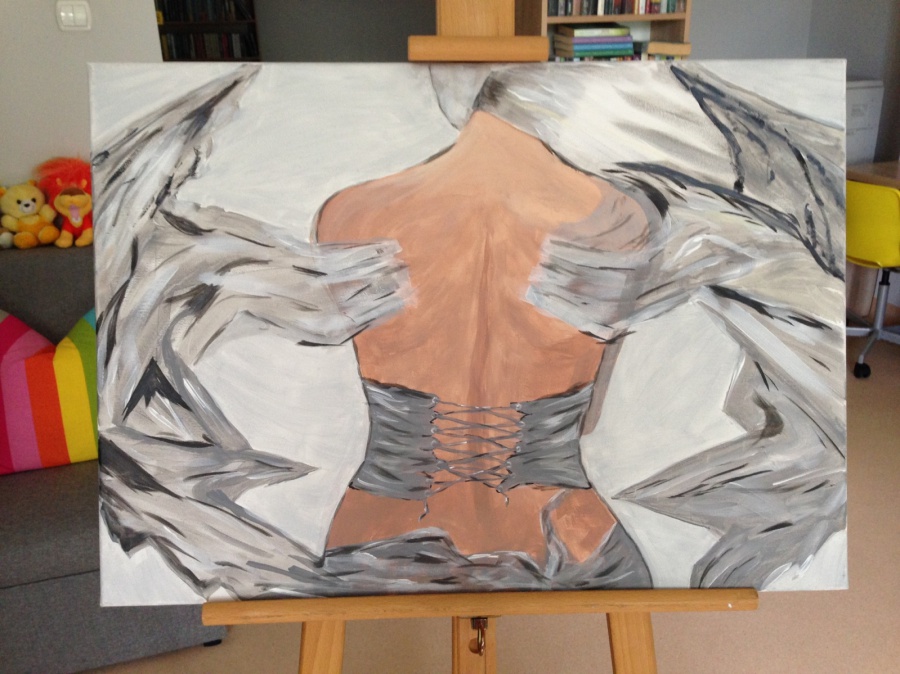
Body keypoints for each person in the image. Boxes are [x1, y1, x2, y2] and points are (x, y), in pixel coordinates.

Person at [94, 60, 846, 602]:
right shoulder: (619, 221)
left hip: (381, 535)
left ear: (448, 90)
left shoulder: (352, 212)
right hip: (569, 537)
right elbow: (586, 420)